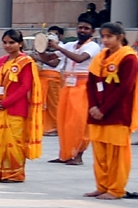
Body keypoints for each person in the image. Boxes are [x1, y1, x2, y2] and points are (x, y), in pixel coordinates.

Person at [83, 23, 138, 200]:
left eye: (109, 36)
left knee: (116, 154)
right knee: (100, 153)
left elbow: (125, 88)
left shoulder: (129, 58)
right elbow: (90, 84)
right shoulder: (100, 57)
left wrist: (104, 109)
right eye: (103, 36)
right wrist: (93, 106)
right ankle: (101, 186)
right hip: (96, 112)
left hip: (117, 113)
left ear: (120, 37)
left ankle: (116, 189)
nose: (105, 40)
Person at [0, 30, 43, 182]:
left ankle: (14, 174)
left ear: (20, 44)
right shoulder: (2, 60)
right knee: (0, 140)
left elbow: (24, 87)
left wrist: (6, 102)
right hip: (1, 107)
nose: (8, 46)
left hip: (16, 108)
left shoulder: (26, 62)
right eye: (5, 42)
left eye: (12, 42)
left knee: (14, 142)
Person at [40, 23, 99, 164]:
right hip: (67, 86)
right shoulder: (70, 45)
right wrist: (40, 48)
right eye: (80, 28)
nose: (82, 31)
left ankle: (78, 156)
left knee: (79, 122)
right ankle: (65, 154)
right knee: (64, 121)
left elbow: (79, 59)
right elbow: (49, 59)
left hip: (84, 87)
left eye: (86, 28)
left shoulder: (93, 46)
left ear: (92, 31)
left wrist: (58, 47)